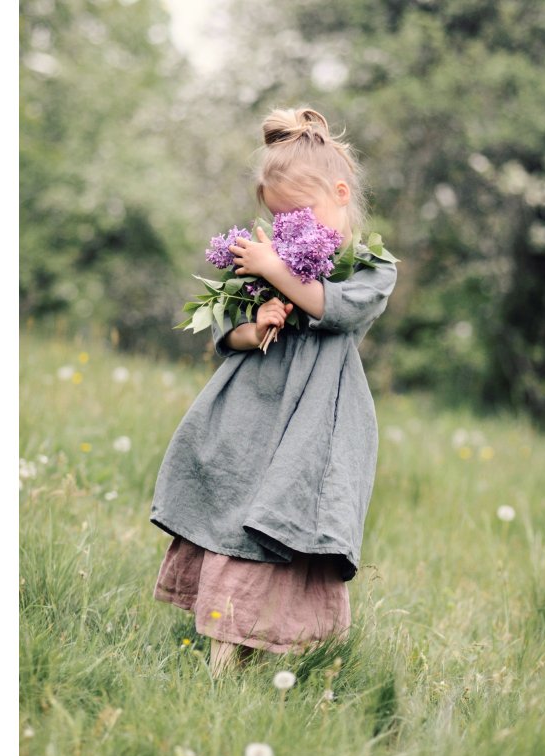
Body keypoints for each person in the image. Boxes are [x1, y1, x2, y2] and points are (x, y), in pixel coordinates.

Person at [149, 106, 398, 676]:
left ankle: (288, 656)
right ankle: (221, 664)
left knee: (286, 519)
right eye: (279, 217)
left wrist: (274, 269)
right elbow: (227, 335)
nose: (289, 227)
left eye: (300, 213)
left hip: (314, 422)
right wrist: (256, 322)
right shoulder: (267, 258)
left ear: (340, 193)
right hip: (251, 413)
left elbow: (332, 308)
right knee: (235, 512)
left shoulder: (370, 268)